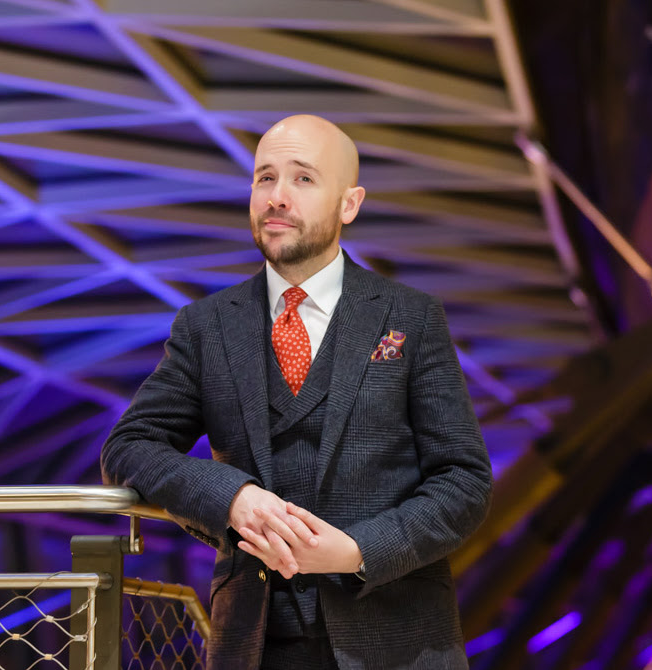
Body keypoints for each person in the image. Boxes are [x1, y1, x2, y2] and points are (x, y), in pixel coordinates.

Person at [101, 114, 493, 669]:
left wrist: (359, 552)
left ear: (349, 203)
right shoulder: (206, 326)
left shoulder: (412, 318)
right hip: (253, 645)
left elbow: (464, 481)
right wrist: (232, 497)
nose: (277, 197)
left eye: (303, 179)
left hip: (397, 641)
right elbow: (128, 448)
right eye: (265, 178)